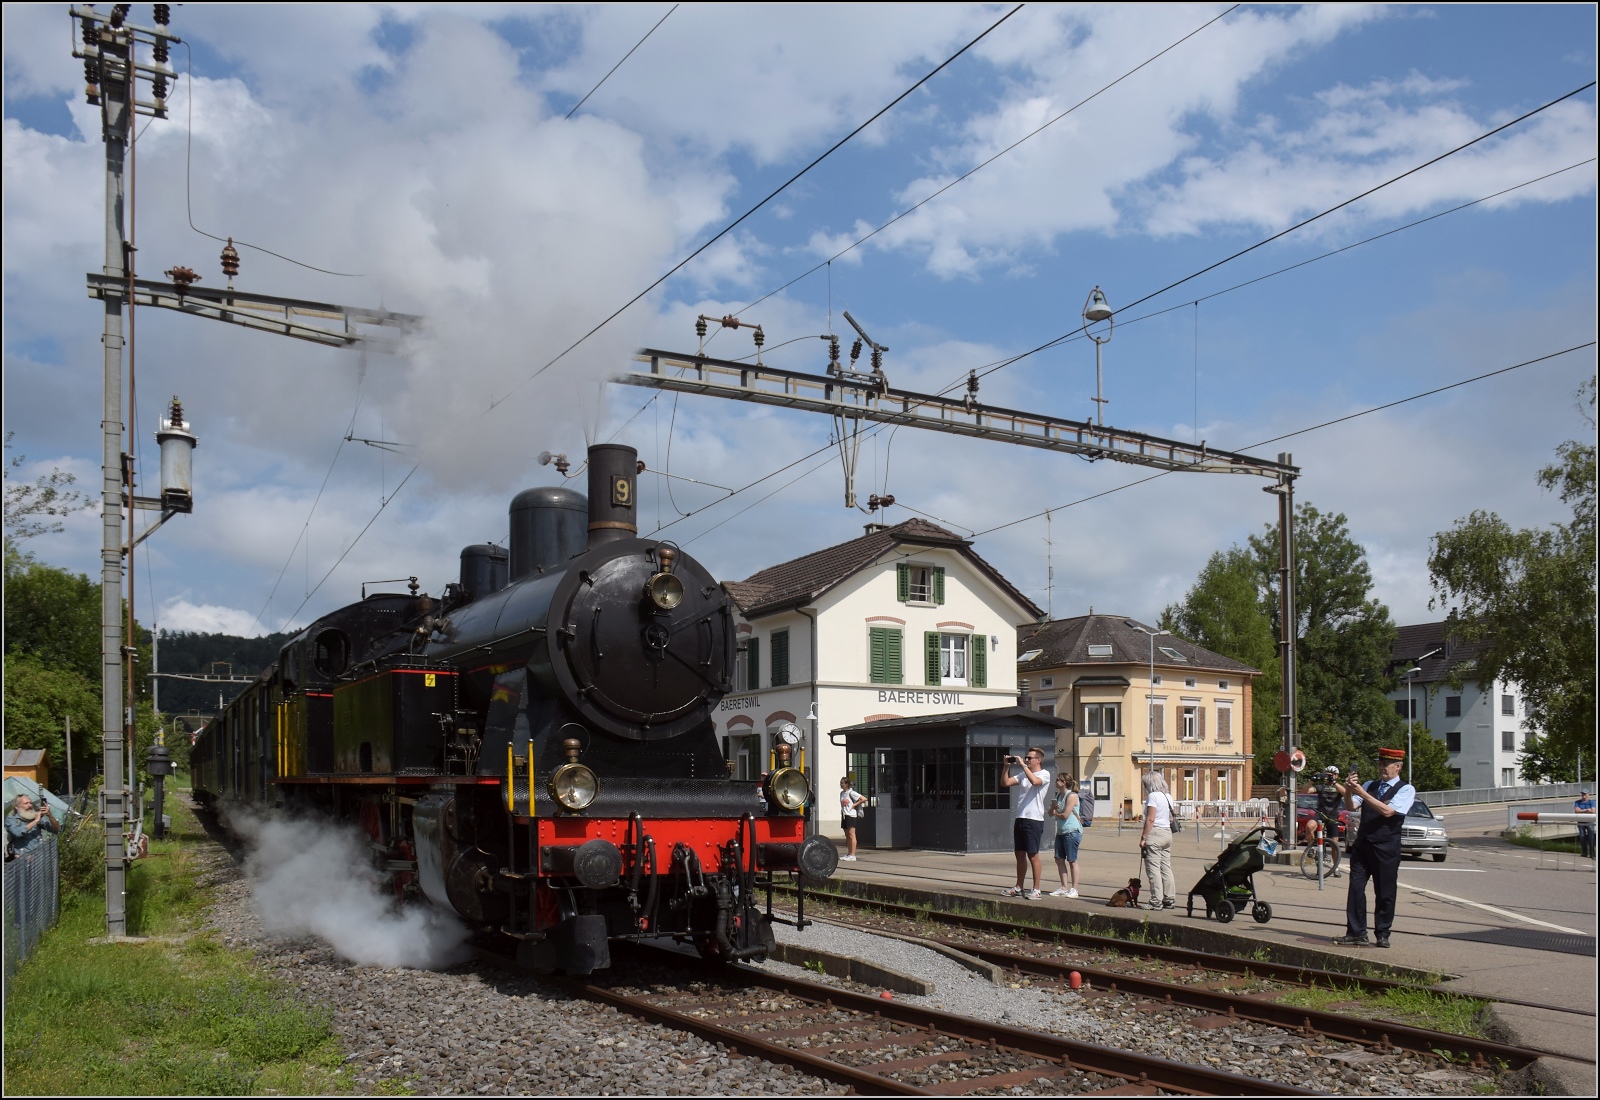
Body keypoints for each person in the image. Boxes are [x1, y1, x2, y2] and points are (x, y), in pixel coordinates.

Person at [1333, 747, 1414, 948]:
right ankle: (1356, 932)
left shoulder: (1406, 789)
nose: (1382, 768)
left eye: (1385, 765)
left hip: (1386, 848)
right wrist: (1350, 791)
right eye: (1380, 764)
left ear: (1397, 767)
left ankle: (1383, 932)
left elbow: (1387, 812)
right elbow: (1352, 807)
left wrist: (1361, 792)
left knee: (1385, 891)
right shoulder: (1371, 784)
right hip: (1363, 845)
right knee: (1356, 888)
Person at [1000, 747, 1050, 900]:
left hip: (1034, 820)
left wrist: (1022, 765)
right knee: (1019, 854)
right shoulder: (1023, 775)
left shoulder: (1044, 774)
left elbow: (1035, 782)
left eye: (1030, 758)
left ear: (1038, 760)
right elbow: (1005, 782)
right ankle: (1018, 886)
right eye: (1026, 758)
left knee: (1033, 855)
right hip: (1021, 817)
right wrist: (1006, 767)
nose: (1027, 760)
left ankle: (1036, 889)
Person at [1138, 771, 1178, 910]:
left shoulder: (1153, 796)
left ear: (1149, 784)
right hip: (1167, 834)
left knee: (1153, 869)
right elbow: (1171, 818)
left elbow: (1150, 819)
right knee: (1166, 867)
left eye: (1145, 784)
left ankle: (1156, 901)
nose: (1144, 787)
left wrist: (1143, 838)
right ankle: (1169, 898)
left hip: (1155, 834)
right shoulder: (1168, 796)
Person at [1302, 766, 1345, 875]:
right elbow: (1304, 790)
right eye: (1327, 774)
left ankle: (1335, 867)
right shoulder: (1320, 786)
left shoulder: (1338, 787)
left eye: (1332, 774)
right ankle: (1311, 847)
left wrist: (1334, 782)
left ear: (1336, 776)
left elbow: (1345, 793)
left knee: (1334, 843)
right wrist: (1312, 780)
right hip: (1320, 814)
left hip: (1332, 816)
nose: (1329, 776)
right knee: (1309, 826)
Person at [1048, 773, 1082, 897]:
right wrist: (1053, 808)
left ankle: (1074, 889)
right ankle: (1064, 887)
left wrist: (1056, 812)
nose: (1056, 781)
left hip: (1072, 831)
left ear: (1063, 783)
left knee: (1072, 860)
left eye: (1058, 780)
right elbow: (1050, 814)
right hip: (1061, 831)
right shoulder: (1058, 795)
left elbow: (1065, 815)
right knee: (1059, 859)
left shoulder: (1072, 796)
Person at [838, 776, 867, 861]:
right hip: (844, 815)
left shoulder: (851, 793)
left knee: (851, 835)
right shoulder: (842, 793)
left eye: (842, 783)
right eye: (840, 783)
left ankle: (853, 855)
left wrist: (854, 805)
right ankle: (849, 853)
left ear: (847, 784)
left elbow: (863, 799)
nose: (841, 784)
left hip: (851, 815)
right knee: (847, 835)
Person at [1575, 790, 1596, 860]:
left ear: (1588, 795)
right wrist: (1587, 810)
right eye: (1583, 794)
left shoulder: (1592, 802)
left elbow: (1593, 811)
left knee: (1591, 837)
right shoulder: (1577, 802)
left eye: (1585, 794)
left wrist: (1582, 810)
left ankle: (1592, 853)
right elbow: (1576, 810)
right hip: (1581, 821)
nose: (1584, 796)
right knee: (1582, 837)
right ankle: (1584, 852)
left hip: (1590, 821)